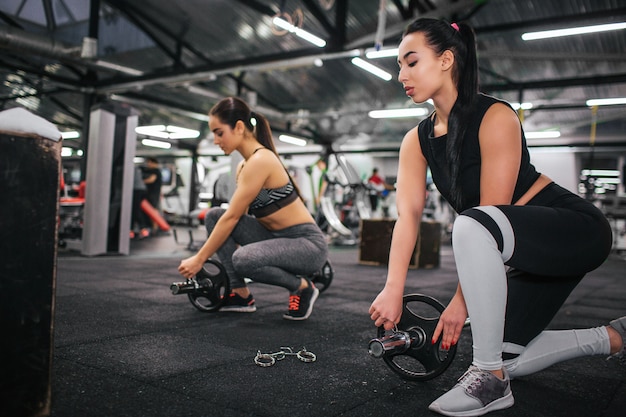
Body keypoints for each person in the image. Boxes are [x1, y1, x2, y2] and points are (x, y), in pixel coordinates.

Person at [368, 17, 623, 416]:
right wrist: (392, 288)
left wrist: (459, 302)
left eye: (411, 62)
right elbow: (408, 216)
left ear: (447, 59)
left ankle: (489, 379)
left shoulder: (495, 116)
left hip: (573, 230)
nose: (401, 75)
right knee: (510, 356)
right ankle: (612, 337)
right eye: (399, 66)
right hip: (524, 249)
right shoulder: (415, 141)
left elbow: (491, 213)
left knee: (472, 222)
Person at [178, 97, 328, 320]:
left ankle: (302, 287)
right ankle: (239, 293)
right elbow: (234, 218)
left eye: (219, 132)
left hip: (307, 246)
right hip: (273, 236)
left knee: (243, 258)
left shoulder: (261, 160)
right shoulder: (243, 165)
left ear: (239, 127)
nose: (216, 140)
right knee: (214, 215)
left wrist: (200, 258)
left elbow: (233, 218)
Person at [142, 157, 163, 232]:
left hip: (153, 194)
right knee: (149, 211)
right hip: (149, 194)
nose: (149, 164)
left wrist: (140, 182)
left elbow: (151, 180)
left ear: (155, 163)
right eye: (148, 162)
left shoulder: (156, 171)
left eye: (150, 162)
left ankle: (155, 228)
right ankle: (151, 227)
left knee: (153, 211)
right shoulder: (150, 171)